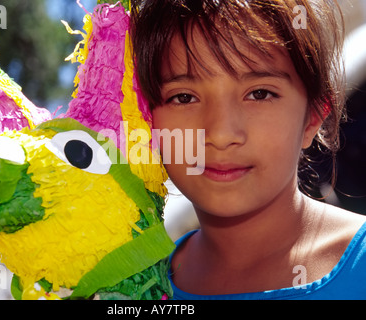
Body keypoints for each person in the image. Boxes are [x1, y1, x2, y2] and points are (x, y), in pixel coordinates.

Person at [130, 0, 366, 299]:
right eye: (184, 98)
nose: (221, 134)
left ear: (314, 116)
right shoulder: (136, 287)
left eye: (259, 93)